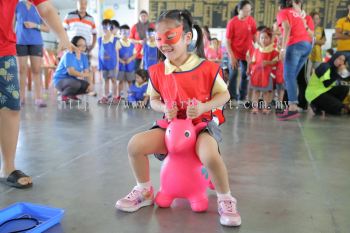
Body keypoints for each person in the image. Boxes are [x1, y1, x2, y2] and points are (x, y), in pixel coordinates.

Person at [115, 9, 241, 227]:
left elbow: (225, 95)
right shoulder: (156, 71)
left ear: (187, 37)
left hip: (201, 125)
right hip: (171, 127)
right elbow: (153, 100)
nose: (164, 43)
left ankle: (225, 198)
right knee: (135, 145)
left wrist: (203, 106)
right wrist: (164, 107)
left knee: (210, 156)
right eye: (158, 38)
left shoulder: (208, 68)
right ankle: (144, 190)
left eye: (170, 36)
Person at [0, 0, 75, 189]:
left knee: (10, 107)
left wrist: (63, 37)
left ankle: (8, 168)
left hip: (4, 49)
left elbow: (46, 7)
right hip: (16, 45)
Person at [276, 0, 313, 120]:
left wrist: (282, 49)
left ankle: (292, 107)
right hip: (306, 45)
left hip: (295, 45)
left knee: (289, 76)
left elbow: (287, 27)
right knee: (292, 76)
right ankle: (291, 105)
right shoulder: (295, 12)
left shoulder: (283, 12)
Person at [15, 0, 50, 107]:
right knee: (22, 70)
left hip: (36, 42)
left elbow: (47, 28)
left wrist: (35, 25)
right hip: (20, 42)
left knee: (36, 70)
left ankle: (38, 98)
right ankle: (21, 98)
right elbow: (11, 25)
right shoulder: (16, 4)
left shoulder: (39, 6)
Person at [226, 0, 257, 104]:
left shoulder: (251, 21)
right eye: (246, 11)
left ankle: (242, 97)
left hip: (247, 54)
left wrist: (258, 50)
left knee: (245, 74)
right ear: (239, 10)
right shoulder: (232, 22)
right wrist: (232, 57)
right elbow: (227, 42)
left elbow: (255, 36)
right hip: (234, 53)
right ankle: (232, 97)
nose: (248, 13)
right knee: (233, 73)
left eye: (249, 11)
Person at [53, 36, 94, 102]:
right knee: (77, 84)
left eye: (84, 46)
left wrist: (90, 84)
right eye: (80, 45)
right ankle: (64, 95)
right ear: (74, 45)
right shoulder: (68, 55)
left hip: (72, 81)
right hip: (60, 80)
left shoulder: (84, 57)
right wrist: (86, 75)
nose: (83, 48)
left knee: (87, 86)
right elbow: (71, 72)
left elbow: (87, 72)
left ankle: (71, 95)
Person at [248, 28, 279, 114]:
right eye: (262, 38)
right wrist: (250, 64)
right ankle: (255, 108)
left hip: (267, 74)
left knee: (267, 92)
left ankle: (266, 107)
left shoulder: (274, 51)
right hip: (257, 74)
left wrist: (268, 62)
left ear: (270, 38)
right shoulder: (257, 50)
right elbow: (253, 61)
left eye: (266, 38)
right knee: (256, 91)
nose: (263, 40)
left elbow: (276, 61)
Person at [97, 19, 119, 104]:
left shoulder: (115, 40)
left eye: (108, 27)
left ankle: (114, 96)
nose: (106, 29)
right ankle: (105, 96)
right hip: (103, 65)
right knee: (105, 80)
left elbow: (117, 54)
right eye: (104, 27)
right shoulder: (100, 40)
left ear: (111, 28)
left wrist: (117, 66)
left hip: (112, 65)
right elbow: (99, 53)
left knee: (113, 81)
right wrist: (99, 65)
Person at [116, 25, 136, 99]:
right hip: (121, 66)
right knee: (120, 81)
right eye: (124, 33)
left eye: (127, 33)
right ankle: (119, 95)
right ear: (120, 33)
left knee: (130, 81)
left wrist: (130, 59)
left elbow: (135, 54)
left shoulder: (132, 43)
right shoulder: (118, 42)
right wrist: (121, 61)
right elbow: (116, 55)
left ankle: (131, 96)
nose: (125, 34)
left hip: (130, 65)